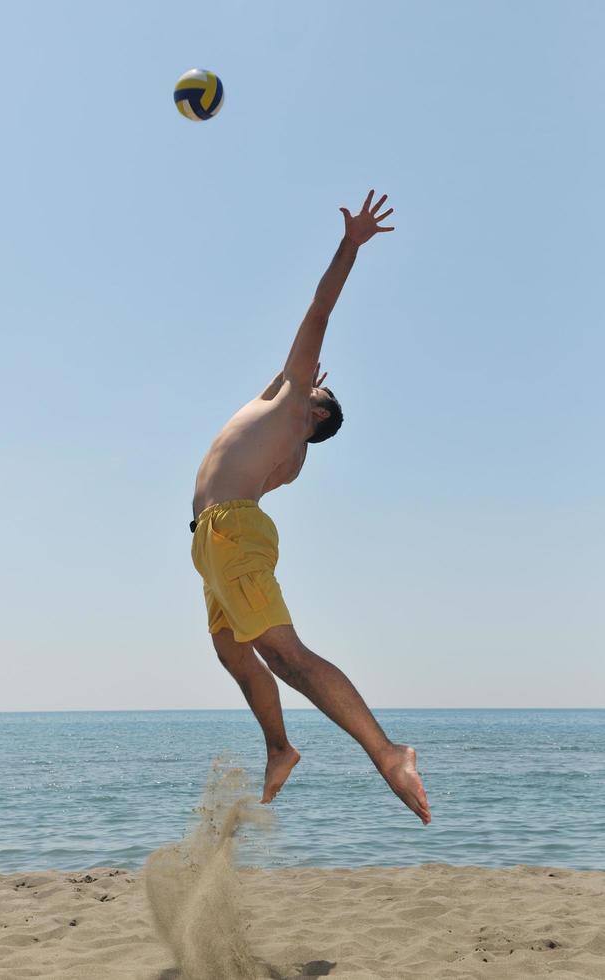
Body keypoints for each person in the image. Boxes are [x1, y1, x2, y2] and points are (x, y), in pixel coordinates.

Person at [190, 191, 431, 824]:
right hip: (213, 541)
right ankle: (280, 748)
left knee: (285, 654)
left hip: (230, 535)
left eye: (314, 387)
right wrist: (290, 383)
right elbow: (270, 388)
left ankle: (387, 752)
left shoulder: (294, 416)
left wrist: (350, 245)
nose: (305, 375)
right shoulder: (284, 434)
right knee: (232, 650)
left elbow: (318, 311)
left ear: (315, 413)